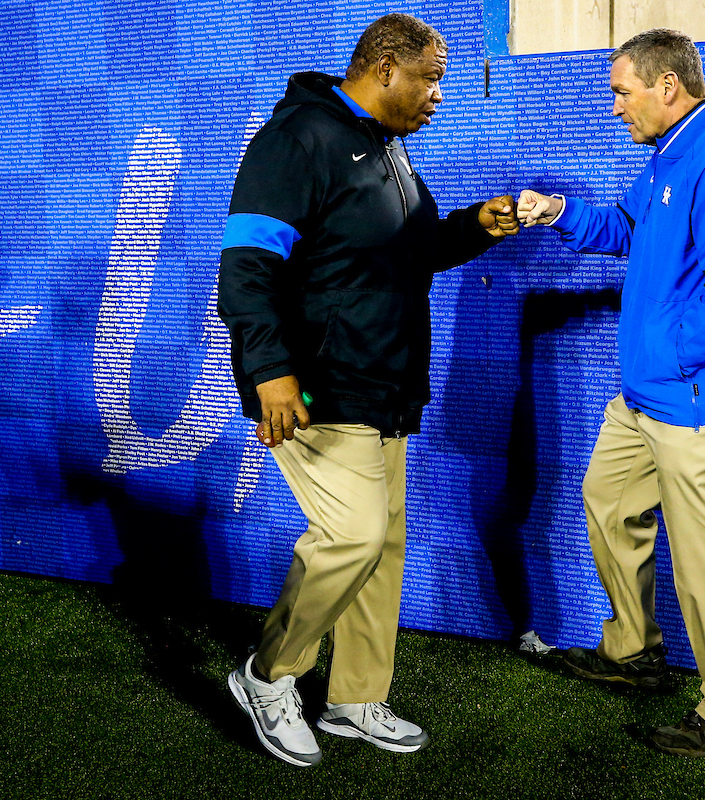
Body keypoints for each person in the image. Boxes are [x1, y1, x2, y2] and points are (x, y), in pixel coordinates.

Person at [217, 13, 518, 767]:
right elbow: (247, 266)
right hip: (319, 385)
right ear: (385, 68)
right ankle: (268, 673)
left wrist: (475, 227)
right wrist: (269, 370)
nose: (438, 94)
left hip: (385, 385)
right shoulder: (298, 139)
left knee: (382, 548)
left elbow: (412, 253)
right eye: (430, 77)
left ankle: (355, 697)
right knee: (351, 536)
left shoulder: (388, 152)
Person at [517, 28, 705, 757]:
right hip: (651, 397)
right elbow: (627, 227)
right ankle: (633, 649)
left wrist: (665, 358)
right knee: (609, 498)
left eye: (621, 92)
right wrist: (558, 211)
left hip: (702, 401)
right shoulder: (673, 152)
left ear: (668, 86)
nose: (614, 108)